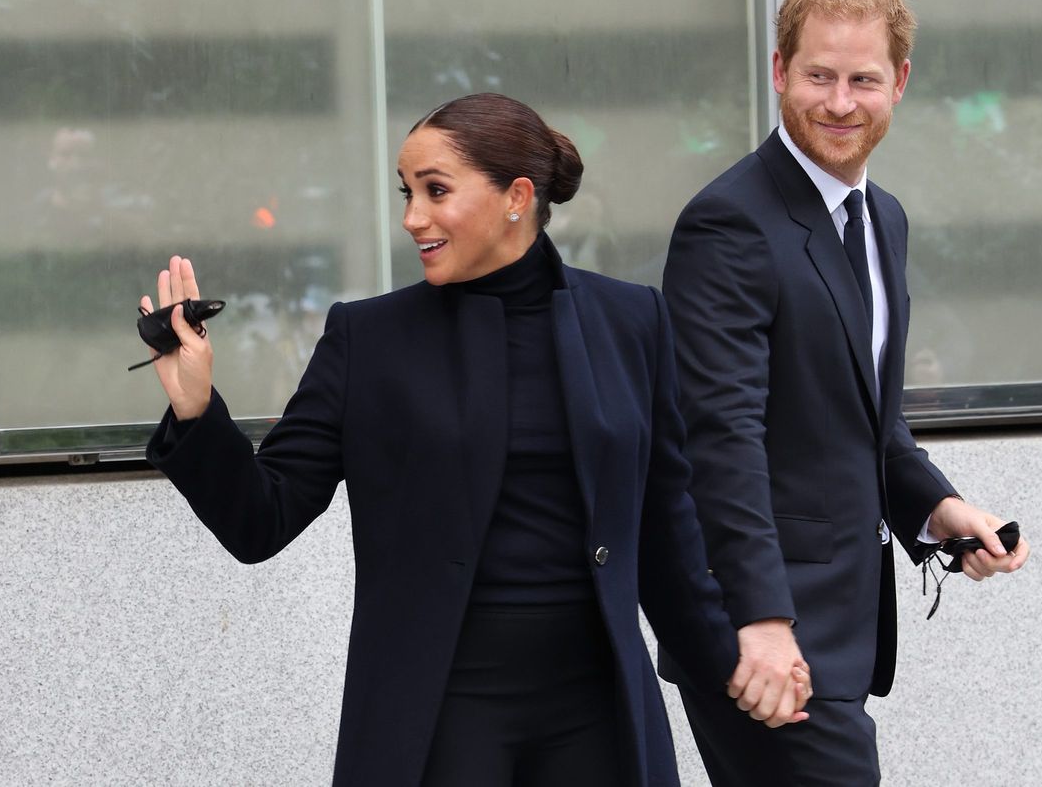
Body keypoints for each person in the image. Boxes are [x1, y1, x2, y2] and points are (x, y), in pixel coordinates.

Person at [138, 92, 811, 787]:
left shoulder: (632, 321)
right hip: (439, 714)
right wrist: (197, 412)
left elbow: (670, 536)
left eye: (435, 191)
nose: (412, 218)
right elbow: (261, 518)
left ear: (516, 196)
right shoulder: (367, 340)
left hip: (597, 708)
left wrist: (736, 666)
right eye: (407, 193)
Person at [659, 0, 1030, 785]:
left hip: (839, 631)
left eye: (863, 79)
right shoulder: (729, 223)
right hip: (765, 640)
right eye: (819, 75)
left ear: (898, 82)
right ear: (780, 71)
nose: (839, 102)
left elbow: (866, 418)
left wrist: (939, 508)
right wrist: (760, 620)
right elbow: (720, 438)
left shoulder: (881, 218)